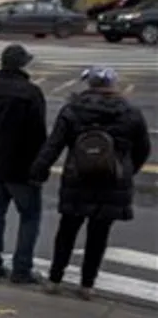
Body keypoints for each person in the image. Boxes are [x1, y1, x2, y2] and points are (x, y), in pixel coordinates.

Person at [30, 67, 151, 300]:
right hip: (112, 182)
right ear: (113, 85)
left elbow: (53, 145)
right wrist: (126, 171)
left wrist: (38, 170)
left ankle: (55, 279)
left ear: (90, 84)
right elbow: (143, 149)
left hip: (78, 179)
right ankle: (87, 285)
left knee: (67, 231)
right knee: (99, 235)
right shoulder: (131, 112)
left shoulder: (73, 110)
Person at [0, 44, 48, 283]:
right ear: (22, 65)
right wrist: (40, 166)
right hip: (23, 167)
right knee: (30, 217)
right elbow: (38, 134)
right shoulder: (31, 93)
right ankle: (21, 269)